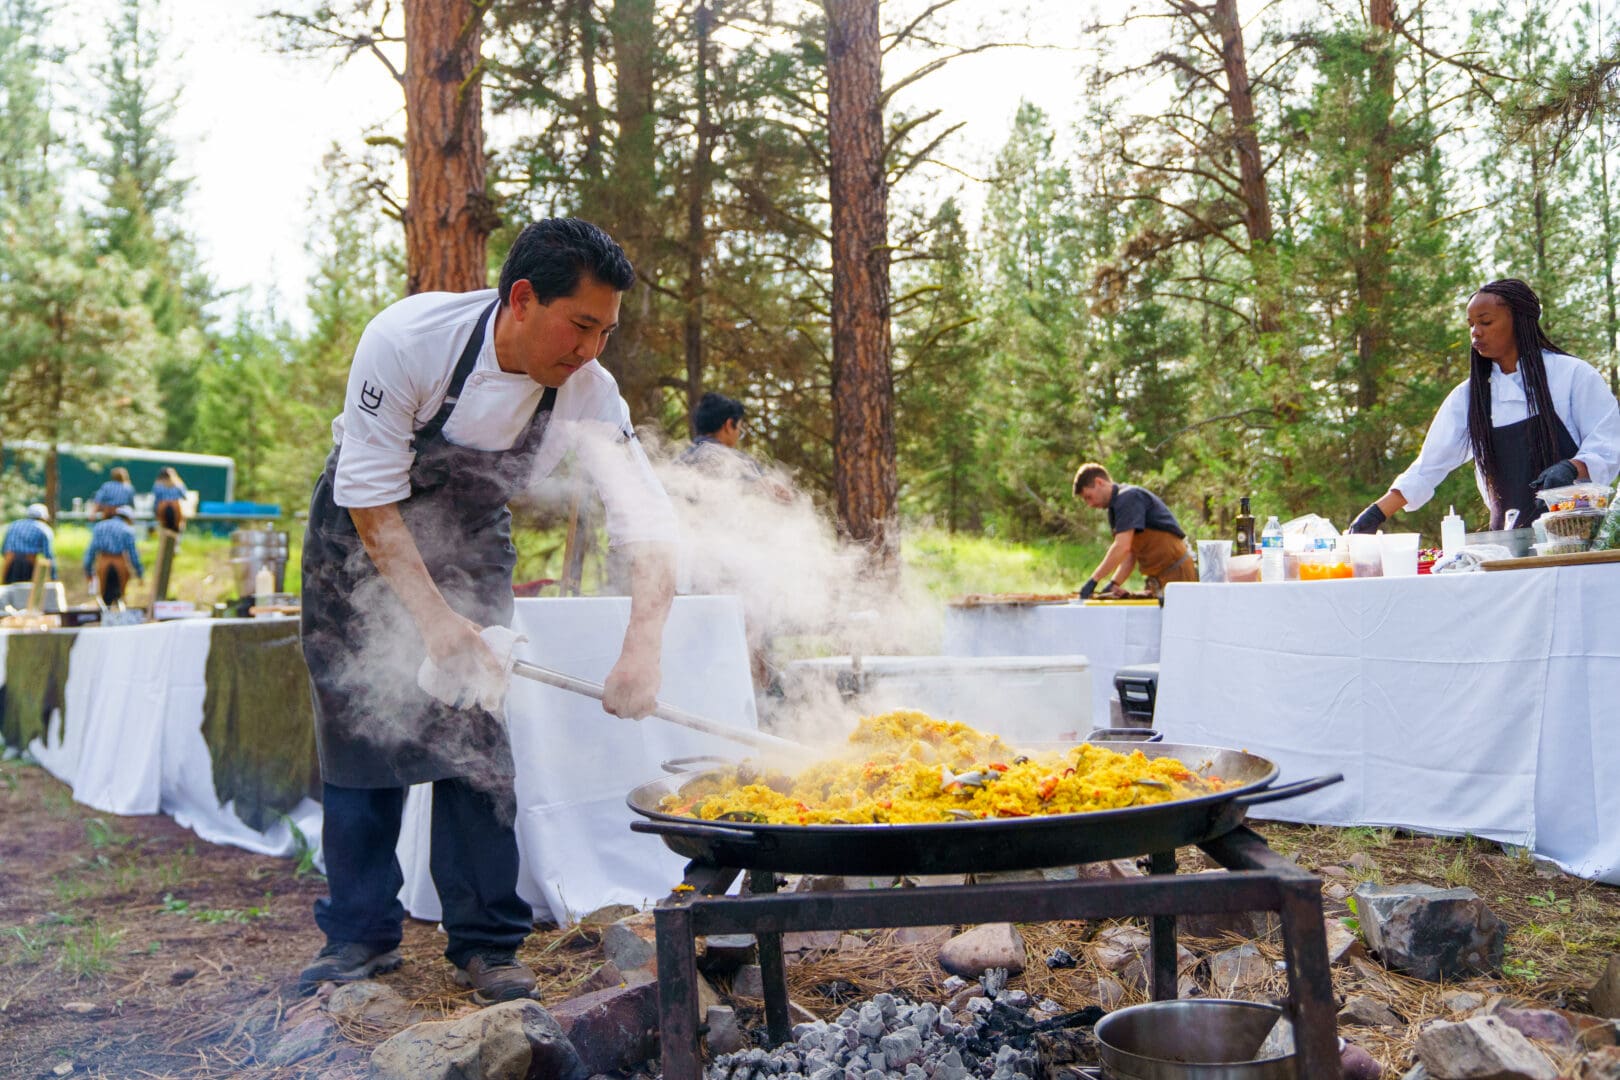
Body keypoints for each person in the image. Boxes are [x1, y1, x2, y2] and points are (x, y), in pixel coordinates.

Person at [297, 218, 677, 1005]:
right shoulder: (408, 341)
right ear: (523, 299)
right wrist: (434, 622)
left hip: (470, 537)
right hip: (359, 531)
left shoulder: (590, 392)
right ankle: (360, 934)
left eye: (605, 333)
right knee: (361, 722)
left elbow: (649, 523)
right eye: (579, 326)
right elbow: (369, 497)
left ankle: (486, 941)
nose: (590, 350)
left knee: (474, 723)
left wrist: (642, 648)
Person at [1350, 279, 1620, 534]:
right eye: (1471, 324)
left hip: (1576, 534)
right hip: (1508, 540)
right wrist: (1375, 513)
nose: (1475, 332)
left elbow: (1608, 444)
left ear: (1519, 320)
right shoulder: (1470, 396)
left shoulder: (1572, 375)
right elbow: (1428, 466)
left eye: (1486, 322)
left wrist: (1573, 468)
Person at [1072, 463, 1196, 598]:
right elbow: (1130, 553)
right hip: (1157, 580)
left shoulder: (1129, 497)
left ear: (1099, 482)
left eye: (1088, 497)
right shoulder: (1114, 508)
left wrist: (1093, 580)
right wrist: (1114, 584)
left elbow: (1122, 547)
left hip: (1178, 575)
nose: (1090, 504)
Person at [83, 505, 143, 606]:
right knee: (121, 595)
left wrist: (88, 570)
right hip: (119, 560)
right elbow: (133, 554)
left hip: (103, 560)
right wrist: (139, 572)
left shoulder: (100, 527)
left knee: (102, 595)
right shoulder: (127, 530)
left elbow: (91, 550)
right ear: (128, 518)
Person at [2, 503, 57, 585]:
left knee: (10, 588)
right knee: (27, 589)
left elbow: (4, 549)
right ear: (43, 518)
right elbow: (48, 555)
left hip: (10, 563)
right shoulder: (44, 529)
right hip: (29, 564)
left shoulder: (14, 525)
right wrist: (53, 576)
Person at [152, 467, 188, 532]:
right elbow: (156, 500)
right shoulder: (158, 486)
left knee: (176, 505)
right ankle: (165, 528)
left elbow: (185, 498)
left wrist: (176, 485)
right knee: (163, 505)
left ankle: (177, 528)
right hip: (163, 512)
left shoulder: (179, 485)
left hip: (177, 512)